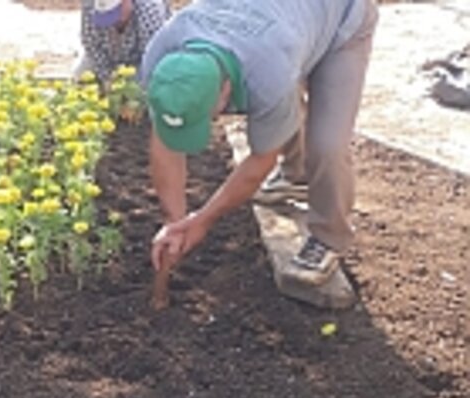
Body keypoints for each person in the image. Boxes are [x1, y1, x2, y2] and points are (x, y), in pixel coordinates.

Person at [143, 0, 379, 287]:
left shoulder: (269, 71)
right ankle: (296, 176)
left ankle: (329, 237)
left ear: (225, 91)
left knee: (327, 143)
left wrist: (202, 220)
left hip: (342, 20)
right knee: (278, 109)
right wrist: (175, 224)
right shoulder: (162, 60)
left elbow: (260, 162)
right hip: (283, 23)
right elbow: (165, 144)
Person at [73, 0, 170, 83]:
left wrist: (130, 87)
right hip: (108, 56)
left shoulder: (150, 9)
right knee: (80, 74)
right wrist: (108, 79)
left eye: (114, 13)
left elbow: (152, 59)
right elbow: (91, 45)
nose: (112, 22)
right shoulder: (90, 5)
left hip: (140, 60)